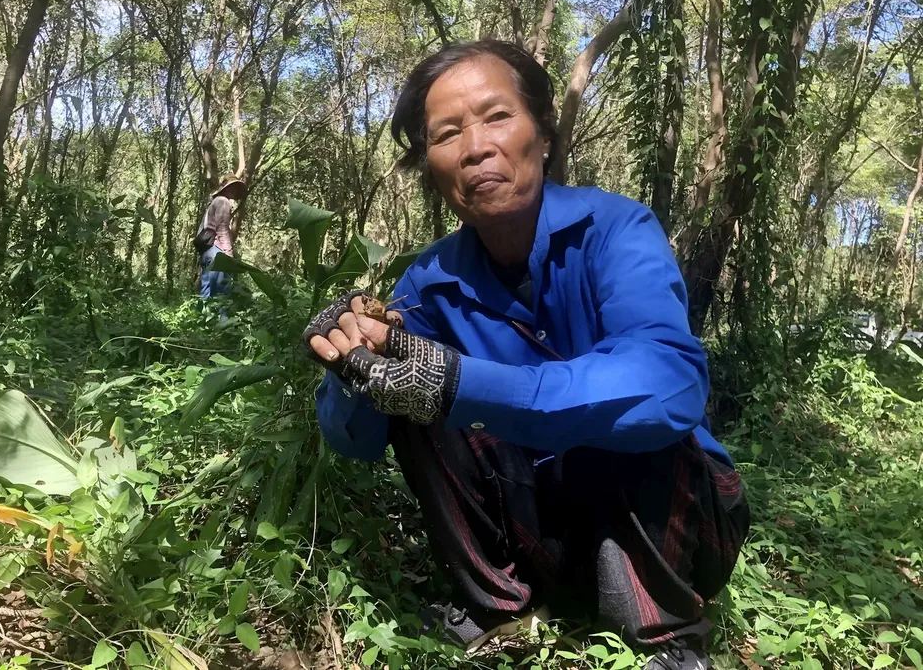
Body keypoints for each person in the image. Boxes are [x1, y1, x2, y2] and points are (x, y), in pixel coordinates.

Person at [302, 41, 749, 670]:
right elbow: (357, 441)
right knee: (410, 380)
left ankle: (668, 632)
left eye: (497, 117)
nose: (475, 147)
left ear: (542, 134)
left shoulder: (617, 230)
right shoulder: (427, 283)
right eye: (447, 133)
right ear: (430, 164)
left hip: (672, 523)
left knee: (627, 407)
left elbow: (671, 383)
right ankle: (497, 607)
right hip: (543, 521)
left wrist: (464, 383)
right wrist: (349, 366)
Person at [194, 227, 230, 301]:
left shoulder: (206, 253)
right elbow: (218, 285)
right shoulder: (217, 255)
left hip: (206, 255)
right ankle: (217, 310)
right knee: (219, 289)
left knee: (206, 284)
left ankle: (203, 309)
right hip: (215, 256)